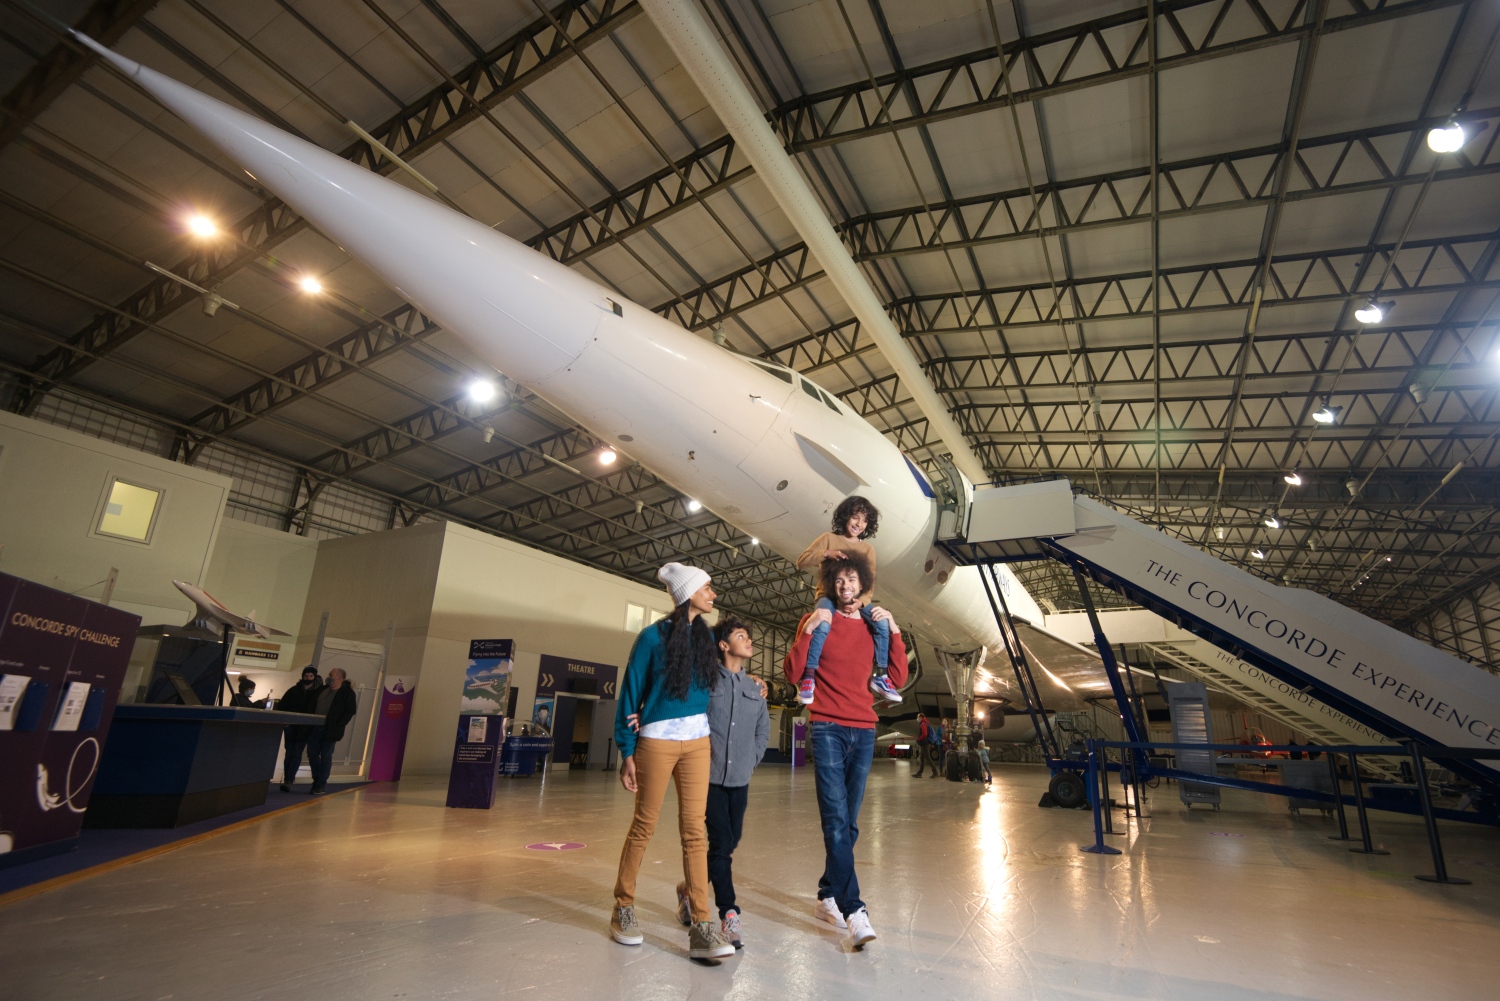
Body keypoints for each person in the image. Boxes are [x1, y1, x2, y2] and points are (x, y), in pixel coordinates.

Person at [609, 563, 735, 961]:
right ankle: (623, 906)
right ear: (688, 592)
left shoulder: (705, 640)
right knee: (643, 826)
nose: (713, 594)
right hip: (656, 742)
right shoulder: (651, 638)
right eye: (707, 588)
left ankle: (702, 925)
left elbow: (727, 671)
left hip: (697, 743)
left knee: (695, 832)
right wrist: (627, 750)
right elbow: (630, 693)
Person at [784, 554, 909, 951]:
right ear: (830, 585)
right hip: (826, 728)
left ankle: (826, 894)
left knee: (849, 824)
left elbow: (898, 676)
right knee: (836, 821)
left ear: (863, 584)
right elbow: (792, 672)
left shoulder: (873, 625)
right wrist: (807, 633)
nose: (844, 586)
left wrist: (894, 630)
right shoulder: (818, 618)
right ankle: (854, 909)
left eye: (851, 579)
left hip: (865, 730)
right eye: (837, 581)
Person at [682, 615, 769, 951]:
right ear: (723, 645)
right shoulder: (706, 683)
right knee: (720, 844)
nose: (748, 640)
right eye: (740, 635)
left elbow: (762, 730)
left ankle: (689, 892)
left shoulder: (754, 689)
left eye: (749, 635)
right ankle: (728, 912)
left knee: (730, 841)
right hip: (709, 778)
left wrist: (752, 758)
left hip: (740, 778)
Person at [794, 496, 899, 706]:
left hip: (856, 599)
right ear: (845, 516)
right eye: (855, 517)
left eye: (864, 521)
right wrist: (826, 553)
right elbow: (801, 561)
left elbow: (869, 583)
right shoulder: (828, 538)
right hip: (828, 596)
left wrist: (861, 602)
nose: (859, 524)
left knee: (881, 623)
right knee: (822, 626)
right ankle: (808, 677)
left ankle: (879, 676)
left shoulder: (868, 549)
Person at [307, 667, 357, 795]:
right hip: (315, 727)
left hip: (331, 728)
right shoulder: (323, 689)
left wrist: (338, 725)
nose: (329, 676)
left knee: (326, 755)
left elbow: (350, 711)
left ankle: (321, 783)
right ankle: (317, 778)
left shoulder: (346, 693)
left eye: (331, 674)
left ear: (339, 677)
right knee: (312, 753)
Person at [277, 666, 322, 792]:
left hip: (305, 728)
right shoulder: (293, 690)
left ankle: (289, 779)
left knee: (296, 752)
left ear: (314, 677)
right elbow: (283, 705)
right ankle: (288, 779)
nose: (307, 678)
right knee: (289, 752)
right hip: (291, 726)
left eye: (310, 676)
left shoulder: (317, 693)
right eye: (306, 676)